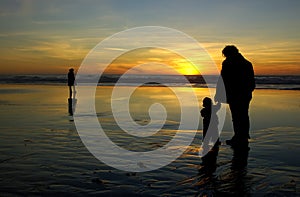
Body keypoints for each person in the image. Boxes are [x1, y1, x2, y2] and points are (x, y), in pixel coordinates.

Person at [215, 45, 255, 148]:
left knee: (237, 116)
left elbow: (222, 80)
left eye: (226, 55)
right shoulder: (247, 63)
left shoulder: (228, 63)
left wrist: (218, 94)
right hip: (245, 94)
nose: (225, 57)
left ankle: (239, 137)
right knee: (243, 115)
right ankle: (242, 137)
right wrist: (248, 91)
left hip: (234, 94)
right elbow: (251, 82)